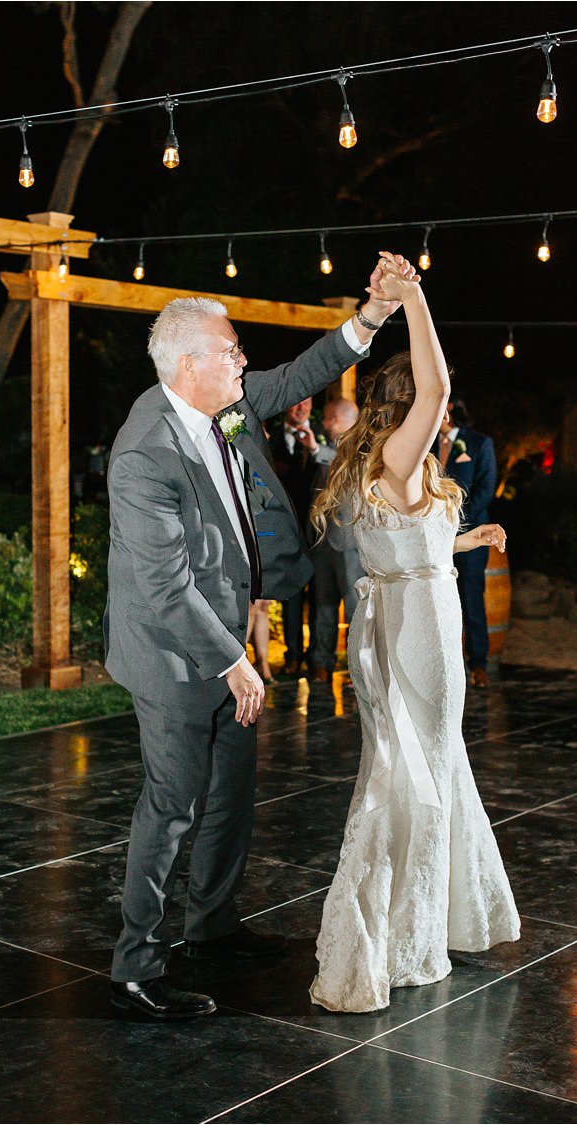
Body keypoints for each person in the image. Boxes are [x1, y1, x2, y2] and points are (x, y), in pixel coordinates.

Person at [103, 255, 410, 1020]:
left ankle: (211, 926)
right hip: (174, 657)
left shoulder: (227, 407)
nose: (244, 360)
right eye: (232, 349)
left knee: (231, 795)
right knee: (172, 804)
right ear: (187, 365)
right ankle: (136, 964)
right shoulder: (146, 452)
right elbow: (165, 588)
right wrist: (237, 659)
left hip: (226, 647)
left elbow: (300, 373)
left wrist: (370, 315)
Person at [307, 257, 519, 1013]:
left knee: (428, 760)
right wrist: (415, 295)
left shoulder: (402, 464)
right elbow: (437, 385)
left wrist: (466, 539)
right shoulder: (396, 455)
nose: (444, 412)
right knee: (414, 770)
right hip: (412, 635)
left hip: (422, 619)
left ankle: (429, 921)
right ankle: (399, 938)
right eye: (431, 406)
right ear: (408, 408)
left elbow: (408, 547)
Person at [439, 396, 497, 687]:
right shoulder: (424, 444)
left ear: (449, 408)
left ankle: (478, 664)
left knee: (471, 598)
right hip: (434, 537)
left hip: (470, 534)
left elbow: (486, 488)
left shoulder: (478, 443)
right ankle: (445, 666)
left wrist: (457, 523)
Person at [306, 398, 364, 682]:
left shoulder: (360, 449)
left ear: (342, 420)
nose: (325, 422)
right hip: (323, 541)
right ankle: (321, 663)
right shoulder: (328, 450)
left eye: (329, 418)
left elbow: (337, 461)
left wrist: (316, 450)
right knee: (323, 607)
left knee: (356, 610)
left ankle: (358, 669)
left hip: (350, 543)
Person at [269, 396, 324, 676]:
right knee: (290, 595)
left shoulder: (323, 438)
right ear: (287, 407)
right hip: (287, 531)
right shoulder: (271, 439)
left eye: (306, 404)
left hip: (317, 531)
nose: (301, 408)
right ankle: (292, 655)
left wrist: (314, 448)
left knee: (318, 596)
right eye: (296, 404)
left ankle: (316, 658)